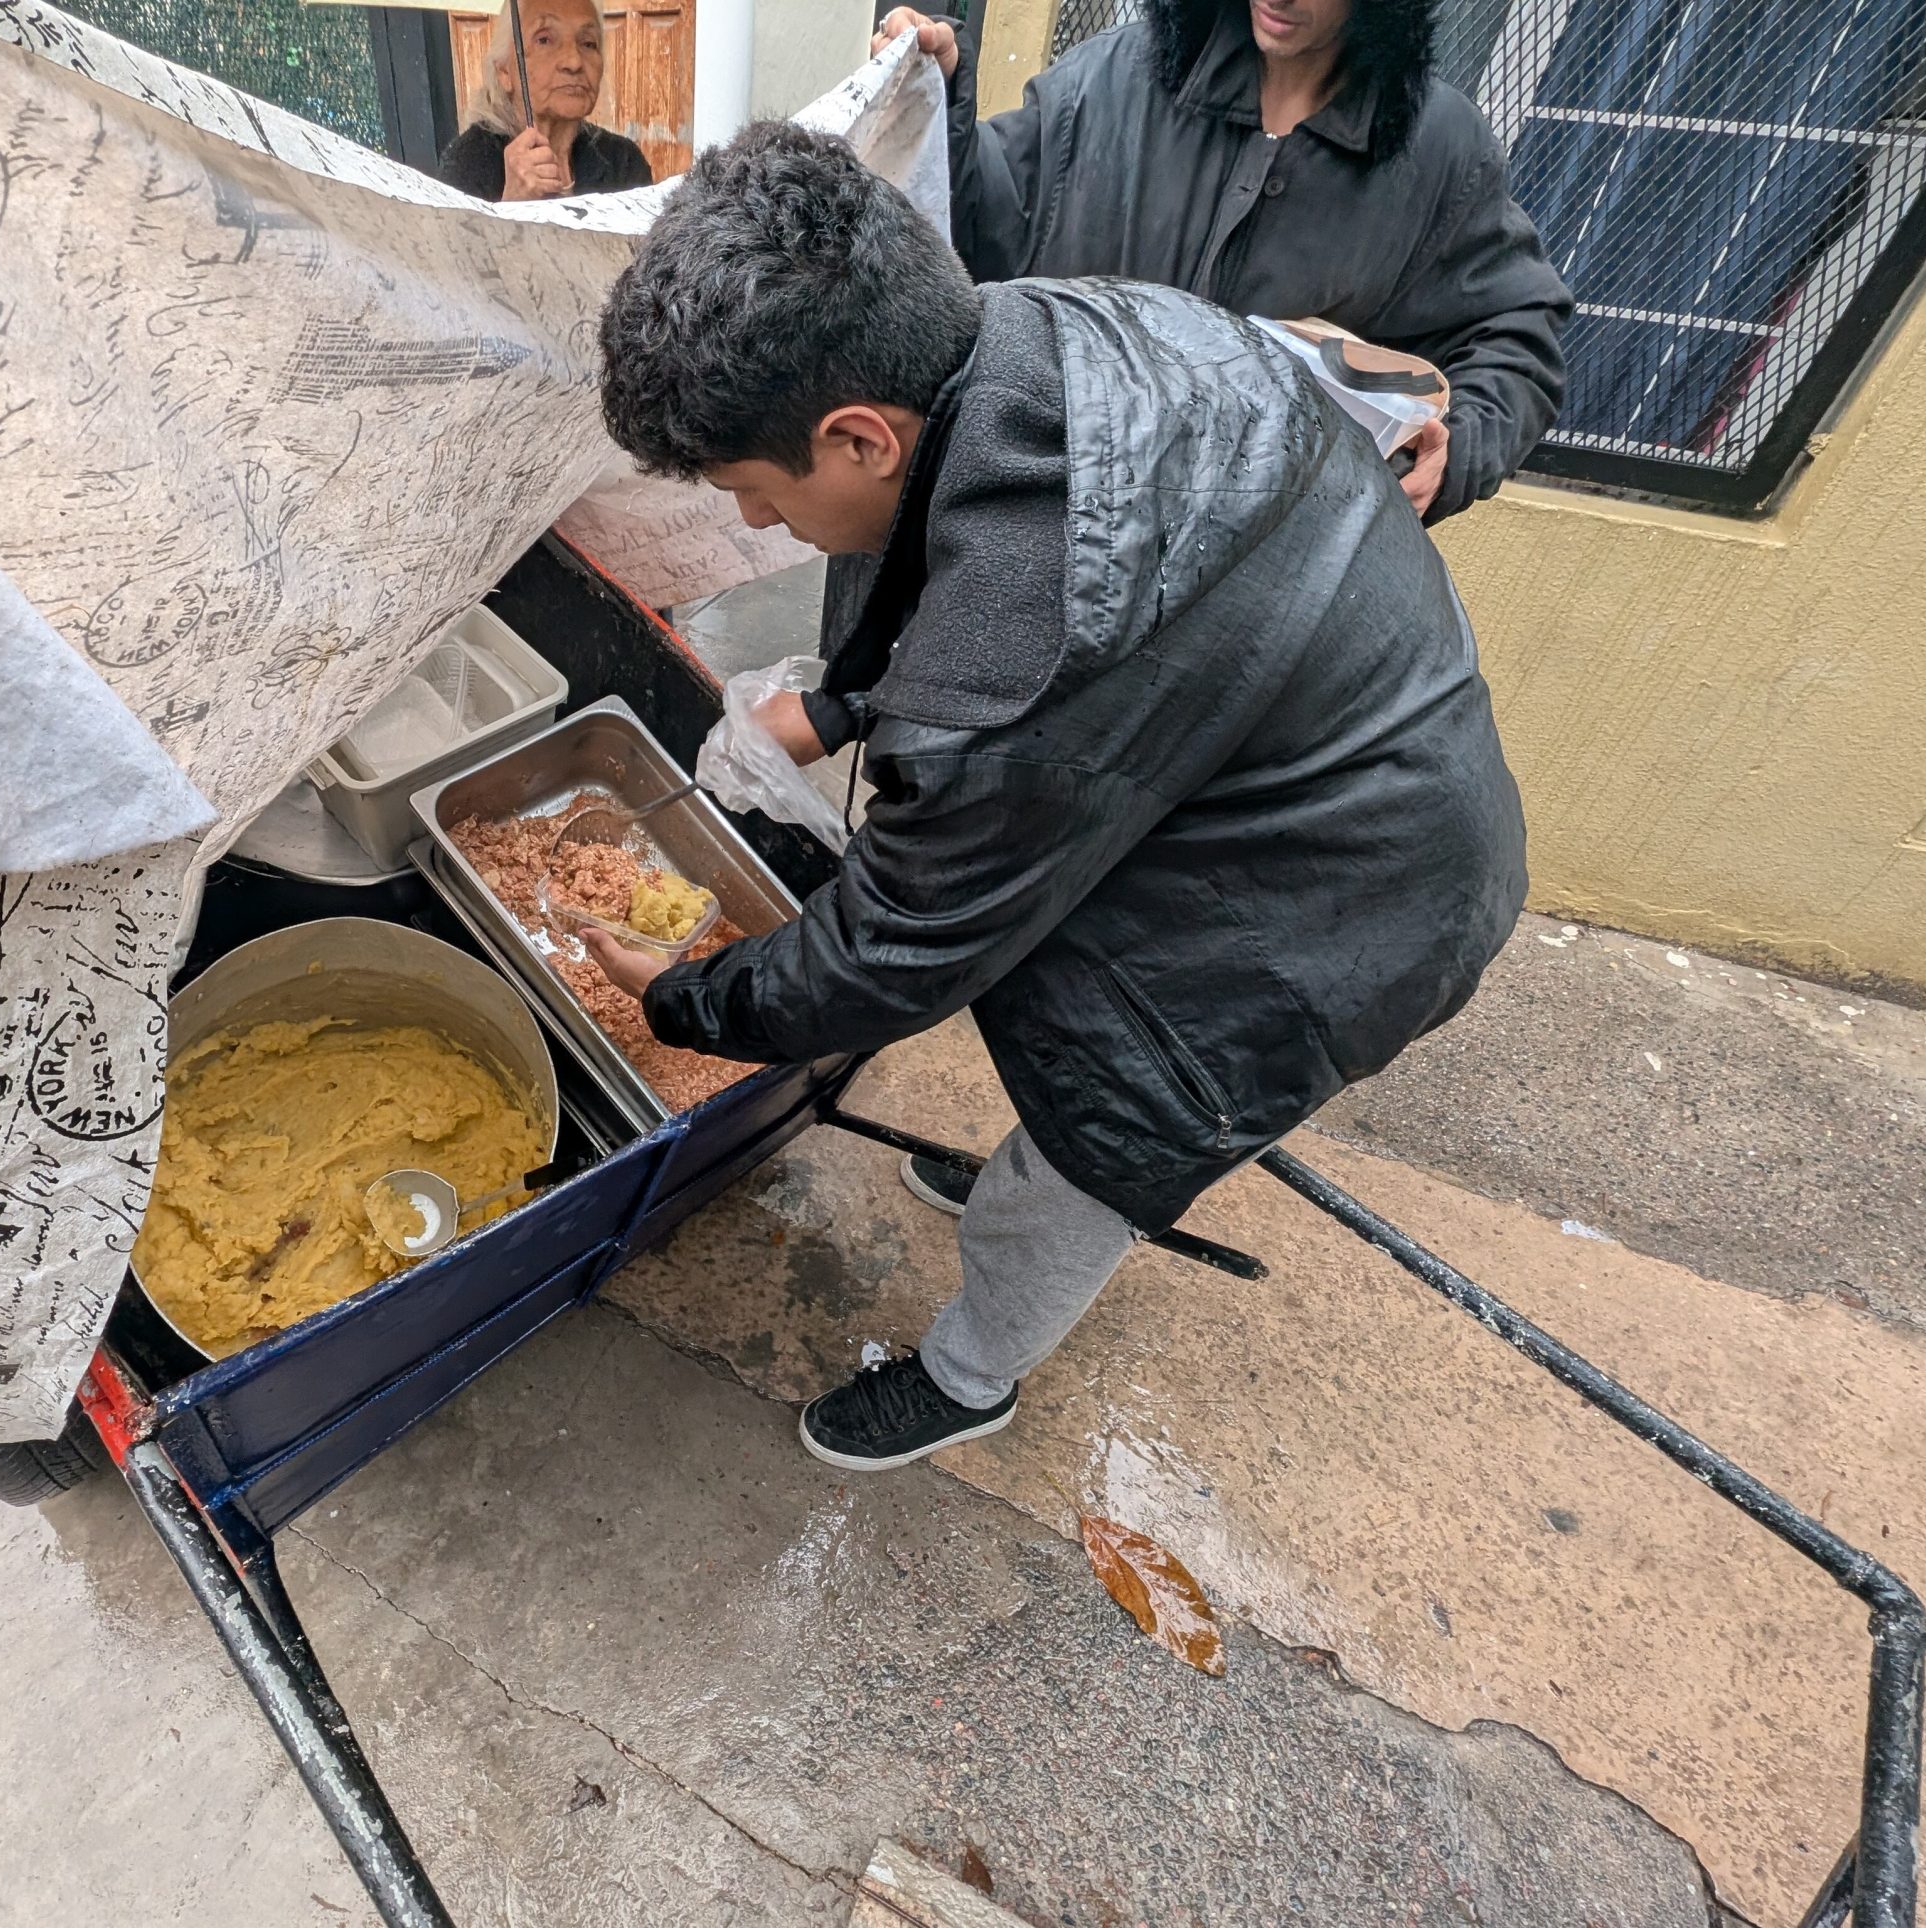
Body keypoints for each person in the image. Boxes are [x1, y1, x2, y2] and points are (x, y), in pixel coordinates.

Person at [587, 123, 1527, 1472]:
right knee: (1062, 1067)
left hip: (1343, 906)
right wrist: (850, 699)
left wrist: (681, 990)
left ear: (855, 435)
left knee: (1102, 1139)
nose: (758, 532)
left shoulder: (1017, 663)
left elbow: (897, 954)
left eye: (754, 493)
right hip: (1303, 762)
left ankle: (973, 1376)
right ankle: (1043, 1164)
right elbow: (991, 595)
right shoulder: (1029, 327)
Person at [872, 0, 1570, 524]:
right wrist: (941, 102)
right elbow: (978, 232)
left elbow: (1515, 337)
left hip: (1259, 583)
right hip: (1052, 531)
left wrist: (1458, 447)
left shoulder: (1437, 149)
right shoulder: (1112, 79)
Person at [438, 0, 654, 204]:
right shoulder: (469, 162)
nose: (574, 62)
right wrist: (511, 206)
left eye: (588, 43)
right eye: (544, 39)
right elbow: (456, 243)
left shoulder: (623, 161)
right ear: (504, 70)